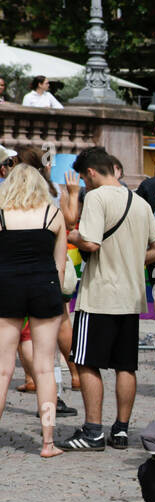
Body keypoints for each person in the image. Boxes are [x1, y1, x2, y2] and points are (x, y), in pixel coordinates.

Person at [57, 148, 155, 451]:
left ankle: (92, 431)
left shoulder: (97, 198)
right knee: (125, 365)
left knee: (88, 363)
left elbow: (90, 241)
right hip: (131, 297)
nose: (84, 184)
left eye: (83, 178)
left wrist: (72, 235)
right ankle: (121, 430)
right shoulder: (140, 203)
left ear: (91, 172)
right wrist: (133, 262)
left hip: (101, 295)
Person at [0, 164, 69, 458]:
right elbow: (61, 265)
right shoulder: (52, 214)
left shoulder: (1, 215)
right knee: (44, 368)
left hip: (7, 286)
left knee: (2, 370)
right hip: (44, 285)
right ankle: (48, 442)